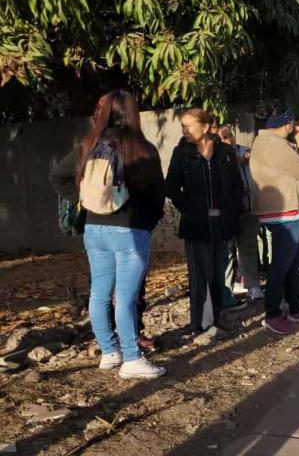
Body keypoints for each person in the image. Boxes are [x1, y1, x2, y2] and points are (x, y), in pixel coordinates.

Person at [70, 90, 166, 378]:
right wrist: (147, 222)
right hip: (129, 230)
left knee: (99, 292)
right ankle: (132, 359)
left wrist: (85, 203)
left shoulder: (89, 144)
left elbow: (59, 175)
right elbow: (157, 194)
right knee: (125, 297)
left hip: (94, 228)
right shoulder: (141, 148)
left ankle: (110, 352)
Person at [166, 108, 244, 339]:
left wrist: (231, 212)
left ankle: (218, 319)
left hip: (222, 224)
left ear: (206, 126)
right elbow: (170, 186)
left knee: (220, 273)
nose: (184, 130)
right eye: (183, 126)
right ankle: (201, 324)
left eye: (189, 125)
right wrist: (189, 209)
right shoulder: (182, 153)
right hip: (196, 225)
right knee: (201, 275)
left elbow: (236, 186)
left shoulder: (225, 152)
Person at [249, 110, 299, 334]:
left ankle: (296, 307)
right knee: (282, 264)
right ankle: (272, 313)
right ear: (287, 124)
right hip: (287, 210)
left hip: (290, 209)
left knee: (292, 263)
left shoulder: (272, 142)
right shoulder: (274, 144)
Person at [217, 126, 264, 300]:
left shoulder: (246, 152)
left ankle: (252, 285)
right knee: (227, 251)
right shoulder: (218, 156)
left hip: (248, 207)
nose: (228, 139)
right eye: (223, 137)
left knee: (248, 248)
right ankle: (227, 290)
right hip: (228, 211)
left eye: (230, 135)